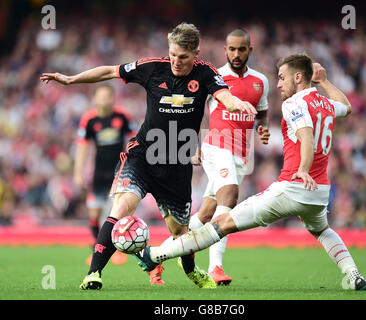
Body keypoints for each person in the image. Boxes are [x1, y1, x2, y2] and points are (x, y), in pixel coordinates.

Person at [40, 22, 257, 290]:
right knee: (119, 209)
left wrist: (237, 103)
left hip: (177, 161)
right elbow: (110, 71)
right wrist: (71, 79)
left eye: (184, 57)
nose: (176, 61)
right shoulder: (153, 67)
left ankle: (190, 269)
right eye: (173, 54)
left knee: (180, 232)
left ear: (196, 54)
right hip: (142, 155)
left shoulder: (206, 73)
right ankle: (93, 274)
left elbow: (224, 95)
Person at [134, 54, 366, 291]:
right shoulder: (324, 103)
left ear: (299, 77)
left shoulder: (294, 103)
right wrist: (324, 81)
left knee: (221, 223)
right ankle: (354, 275)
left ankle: (154, 254)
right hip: (319, 191)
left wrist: (302, 169)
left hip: (293, 187)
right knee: (323, 230)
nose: (279, 84)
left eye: (283, 78)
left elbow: (306, 136)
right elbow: (346, 106)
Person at [187, 28, 270, 285]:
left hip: (242, 154)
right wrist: (193, 143)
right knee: (230, 197)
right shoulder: (215, 77)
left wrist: (262, 128)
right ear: (225, 50)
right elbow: (195, 111)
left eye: (241, 49)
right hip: (216, 146)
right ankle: (216, 267)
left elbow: (262, 111)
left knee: (207, 213)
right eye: (231, 49)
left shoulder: (261, 81)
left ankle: (164, 253)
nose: (236, 54)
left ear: (249, 50)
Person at [74, 84, 134, 267]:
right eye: (101, 96)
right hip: (99, 174)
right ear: (94, 99)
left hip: (119, 171)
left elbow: (134, 140)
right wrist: (78, 172)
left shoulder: (122, 116)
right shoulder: (89, 119)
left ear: (113, 97)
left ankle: (116, 251)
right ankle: (95, 249)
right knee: (94, 212)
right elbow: (82, 147)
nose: (105, 100)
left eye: (108, 96)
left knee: (116, 213)